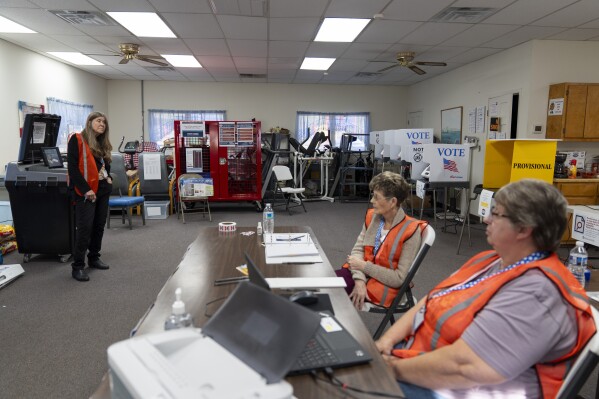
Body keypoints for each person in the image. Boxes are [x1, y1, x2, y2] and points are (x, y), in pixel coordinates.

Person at [375, 179, 596, 399]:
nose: (487, 219)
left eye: (497, 214)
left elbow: (464, 368)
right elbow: (430, 300)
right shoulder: (493, 260)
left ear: (523, 229)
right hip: (420, 362)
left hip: (453, 388)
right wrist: (387, 341)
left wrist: (390, 369)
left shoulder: (538, 293)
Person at [343, 171, 426, 310]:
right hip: (363, 275)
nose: (371, 201)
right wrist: (359, 280)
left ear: (393, 202)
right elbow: (358, 250)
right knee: (327, 285)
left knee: (330, 296)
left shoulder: (411, 231)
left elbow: (399, 278)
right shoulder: (374, 218)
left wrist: (363, 267)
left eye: (376, 197)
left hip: (384, 285)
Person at [67, 112, 113, 282]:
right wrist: (86, 189)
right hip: (85, 192)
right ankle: (77, 266)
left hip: (102, 189)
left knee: (99, 226)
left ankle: (93, 257)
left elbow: (105, 166)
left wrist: (109, 179)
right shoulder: (77, 140)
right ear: (89, 122)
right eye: (99, 121)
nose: (102, 124)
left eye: (104, 122)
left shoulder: (102, 143)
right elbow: (72, 169)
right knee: (85, 228)